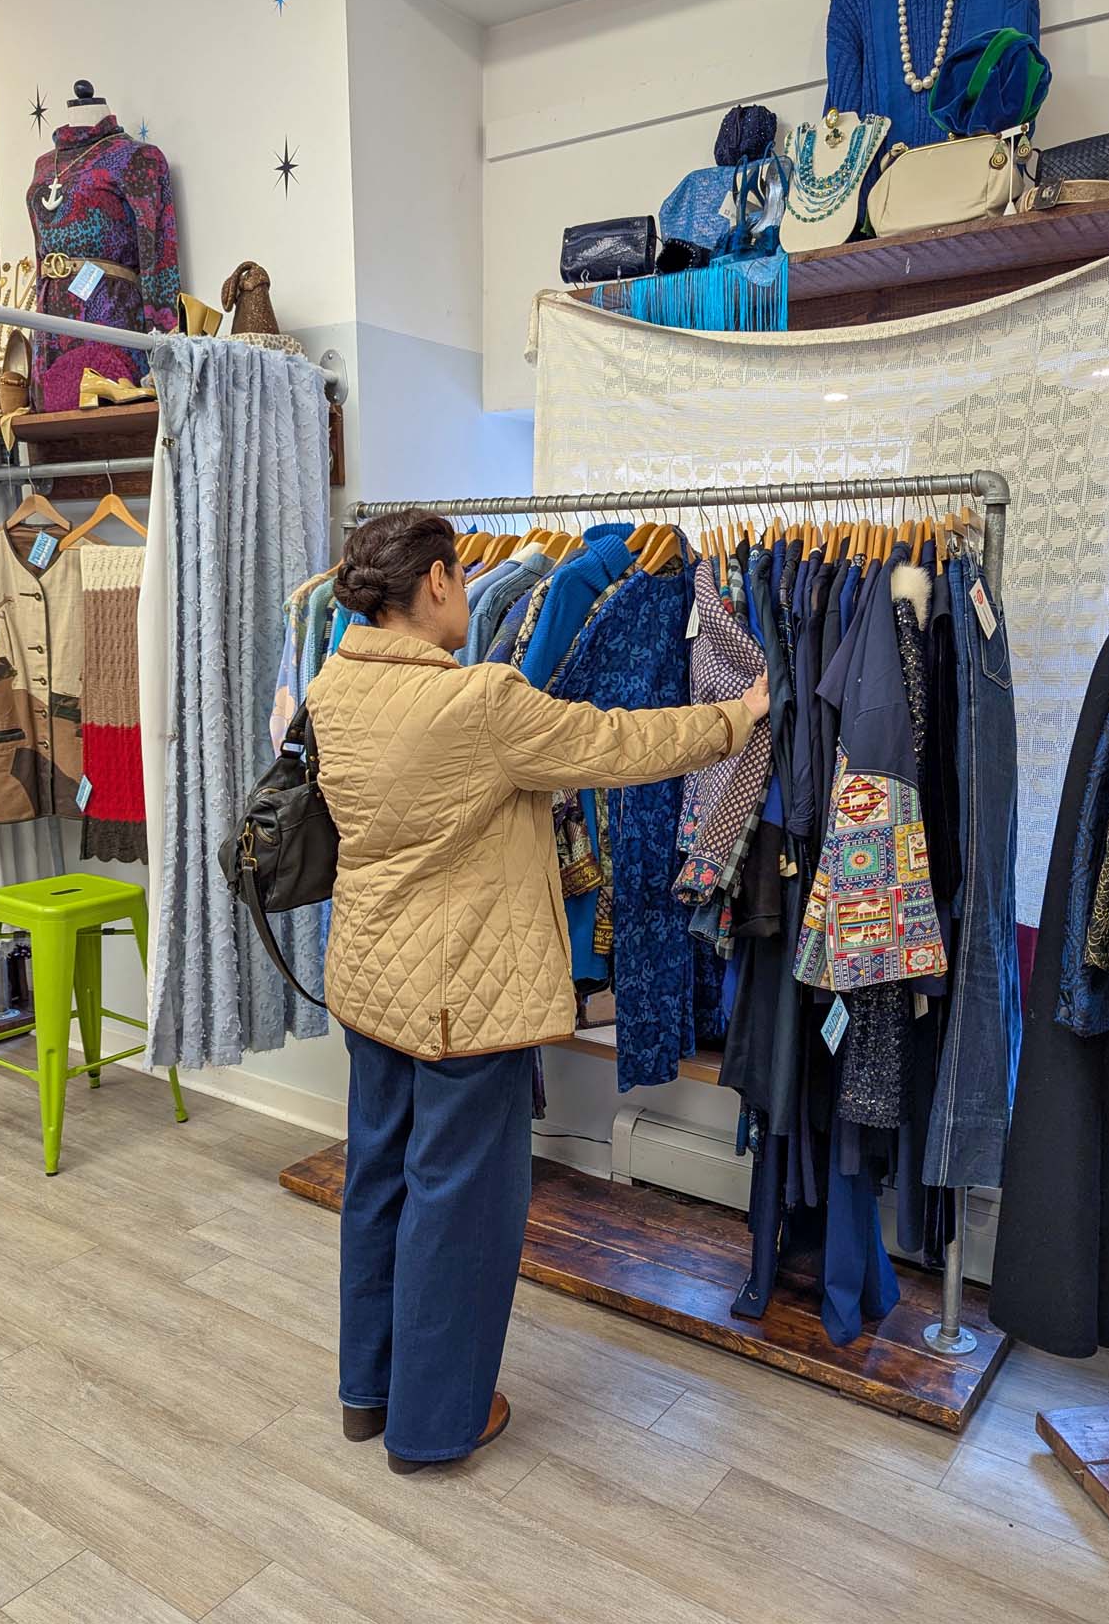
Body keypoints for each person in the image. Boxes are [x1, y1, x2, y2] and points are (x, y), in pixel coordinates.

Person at [308, 508, 769, 1474]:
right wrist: (740, 716)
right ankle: (435, 1423)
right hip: (462, 995)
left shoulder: (334, 683)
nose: (469, 595)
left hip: (370, 978)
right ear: (436, 581)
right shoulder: (476, 704)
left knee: (379, 1183)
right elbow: (614, 743)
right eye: (459, 577)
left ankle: (370, 1392)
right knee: (460, 1207)